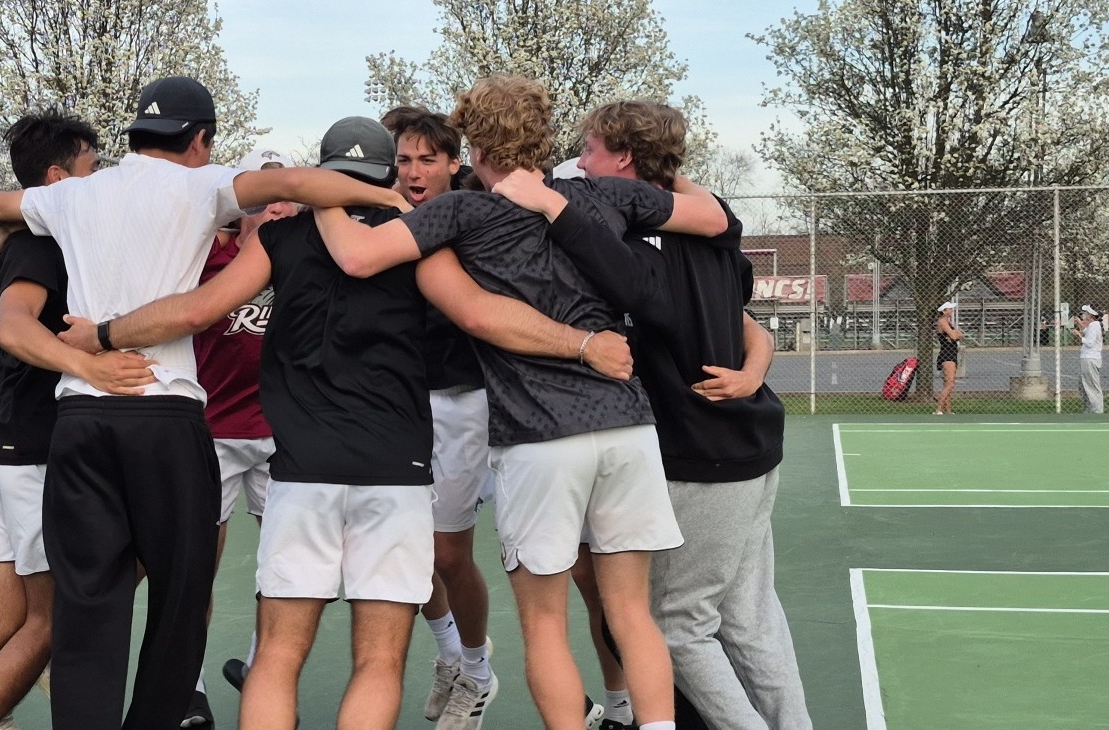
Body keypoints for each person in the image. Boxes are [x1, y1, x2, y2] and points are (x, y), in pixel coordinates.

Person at [55, 115, 636, 730]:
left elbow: (199, 309)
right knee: (379, 661)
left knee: (277, 655)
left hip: (302, 473)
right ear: (388, 173)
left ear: (322, 174)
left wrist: (103, 334)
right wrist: (583, 343)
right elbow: (483, 315)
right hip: (395, 472)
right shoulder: (417, 239)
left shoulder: (280, 238)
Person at [0, 76, 414, 730]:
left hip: (81, 419)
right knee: (181, 602)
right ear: (200, 139)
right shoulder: (201, 184)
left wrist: (18, 220)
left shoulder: (70, 194)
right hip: (165, 416)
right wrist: (385, 194)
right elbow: (299, 185)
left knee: (87, 605)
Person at [310, 76, 729, 730]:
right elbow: (712, 217)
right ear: (545, 133)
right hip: (627, 425)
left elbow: (358, 257)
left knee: (542, 626)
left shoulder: (461, 214)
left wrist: (318, 193)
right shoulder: (601, 195)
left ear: (473, 146)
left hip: (539, 437)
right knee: (632, 613)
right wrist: (658, 172)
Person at [505, 99, 809, 730]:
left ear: (623, 158)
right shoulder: (714, 230)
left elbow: (633, 282)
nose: (581, 163)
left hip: (699, 454)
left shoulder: (645, 248)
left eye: (589, 150)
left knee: (677, 625)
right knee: (752, 619)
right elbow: (741, 313)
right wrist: (755, 371)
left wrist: (551, 204)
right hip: (750, 445)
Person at [0, 110, 157, 730]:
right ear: (56, 177)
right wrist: (89, 364)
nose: (101, 179)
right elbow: (11, 326)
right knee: (50, 619)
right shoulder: (45, 243)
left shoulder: (23, 237)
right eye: (92, 168)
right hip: (27, 451)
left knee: (4, 617)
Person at [381, 105, 500, 729]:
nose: (415, 170)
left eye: (428, 159)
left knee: (449, 555)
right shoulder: (383, 224)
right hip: (401, 403)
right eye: (404, 159)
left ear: (455, 163)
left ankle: (479, 671)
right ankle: (453, 657)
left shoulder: (473, 222)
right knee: (408, 552)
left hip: (461, 403)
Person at [186, 148, 297, 726]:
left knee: (286, 568)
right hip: (214, 433)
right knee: (197, 565)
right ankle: (189, 688)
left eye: (286, 196)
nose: (277, 207)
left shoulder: (307, 258)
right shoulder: (204, 259)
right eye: (264, 198)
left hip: (282, 436)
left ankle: (262, 671)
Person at [1071, 304, 1104, 414]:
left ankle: (1097, 410)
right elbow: (1087, 332)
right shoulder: (1092, 326)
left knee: (1092, 386)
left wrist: (1079, 336)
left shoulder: (1095, 325)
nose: (1084, 315)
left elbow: (1089, 342)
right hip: (1086, 358)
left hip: (1091, 358)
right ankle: (1089, 409)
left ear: (1090, 315)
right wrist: (1080, 325)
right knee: (1083, 385)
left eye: (1086, 313)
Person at [935, 302, 963, 416]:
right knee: (950, 383)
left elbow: (959, 334)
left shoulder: (948, 322)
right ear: (944, 311)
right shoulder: (942, 322)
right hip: (947, 355)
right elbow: (954, 336)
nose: (952, 311)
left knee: (949, 383)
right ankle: (938, 409)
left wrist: (957, 334)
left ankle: (948, 411)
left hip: (952, 353)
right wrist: (957, 334)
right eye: (950, 309)